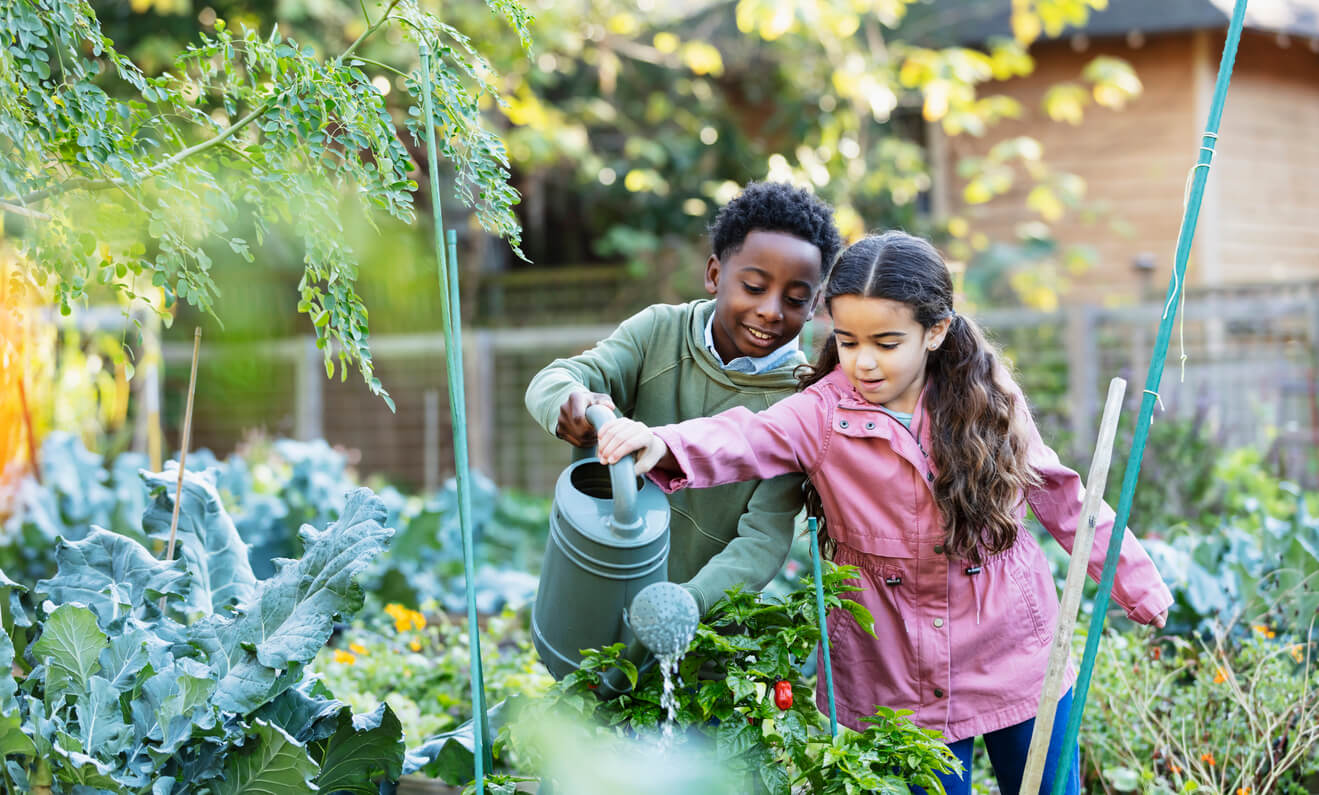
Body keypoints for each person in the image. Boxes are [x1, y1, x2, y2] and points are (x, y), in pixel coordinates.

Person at [595, 231, 1173, 795]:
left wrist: (1135, 584)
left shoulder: (987, 397)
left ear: (936, 331)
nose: (863, 363)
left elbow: (1060, 493)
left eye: (886, 343)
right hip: (895, 664)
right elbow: (743, 436)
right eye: (848, 342)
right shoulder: (820, 415)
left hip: (1010, 640)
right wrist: (662, 444)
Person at [525, 181, 843, 616]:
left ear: (814, 305)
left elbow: (762, 540)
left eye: (794, 299)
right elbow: (559, 377)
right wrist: (572, 400)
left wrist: (687, 604)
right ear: (714, 275)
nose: (771, 310)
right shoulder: (659, 332)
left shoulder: (799, 404)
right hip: (603, 595)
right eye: (753, 287)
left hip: (702, 629)